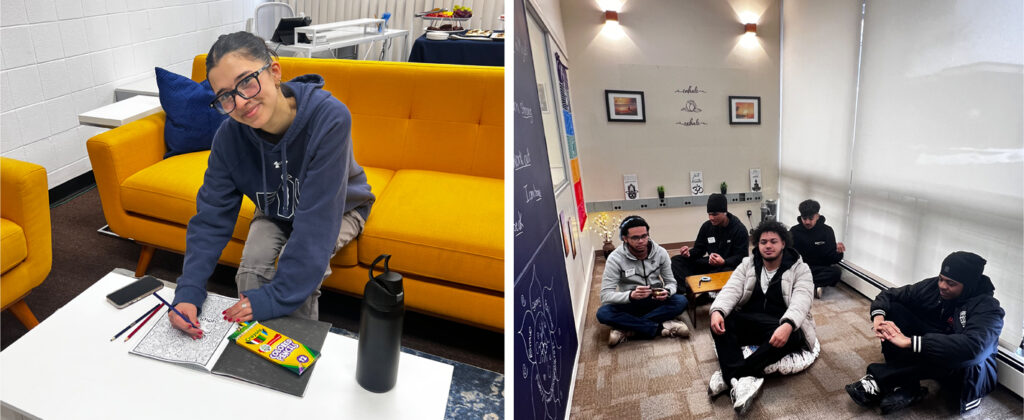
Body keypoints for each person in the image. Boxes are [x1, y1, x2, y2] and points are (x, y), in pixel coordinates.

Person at [169, 32, 375, 339]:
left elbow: (316, 226)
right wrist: (188, 291)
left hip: (341, 209)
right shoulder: (229, 137)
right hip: (276, 209)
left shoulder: (329, 118)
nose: (240, 102)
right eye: (226, 96)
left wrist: (276, 298)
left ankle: (299, 352)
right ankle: (254, 348)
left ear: (274, 72)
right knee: (251, 271)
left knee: (299, 280)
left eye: (247, 81)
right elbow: (211, 218)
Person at [845, 251, 1005, 415]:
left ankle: (882, 379)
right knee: (895, 309)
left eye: (950, 283)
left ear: (968, 285)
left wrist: (910, 342)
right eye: (941, 278)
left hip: (965, 372)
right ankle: (909, 387)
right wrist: (879, 318)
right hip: (938, 345)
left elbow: (973, 348)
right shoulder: (934, 287)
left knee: (957, 351)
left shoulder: (988, 308)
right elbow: (891, 294)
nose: (942, 285)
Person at [706, 220, 816, 415]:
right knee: (721, 321)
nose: (768, 246)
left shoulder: (801, 269)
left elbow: (802, 300)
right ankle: (742, 376)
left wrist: (788, 324)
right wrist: (717, 311)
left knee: (794, 335)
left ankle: (730, 374)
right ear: (757, 244)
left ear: (783, 243)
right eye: (763, 241)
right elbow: (731, 289)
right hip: (750, 319)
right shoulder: (747, 264)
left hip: (779, 324)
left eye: (774, 241)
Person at [597, 215, 690, 347]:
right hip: (630, 302)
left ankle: (628, 329)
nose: (641, 241)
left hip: (655, 299)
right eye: (635, 237)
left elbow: (671, 283)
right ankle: (661, 326)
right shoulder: (615, 259)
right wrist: (630, 295)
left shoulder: (660, 253)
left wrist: (667, 291)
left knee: (682, 301)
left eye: (644, 236)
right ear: (625, 238)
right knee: (603, 313)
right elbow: (605, 296)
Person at [671, 193, 749, 293]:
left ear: (724, 212)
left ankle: (708, 293)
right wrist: (688, 254)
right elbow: (699, 249)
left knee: (728, 273)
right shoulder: (707, 227)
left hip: (727, 266)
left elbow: (742, 257)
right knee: (676, 260)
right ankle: (687, 291)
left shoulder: (739, 229)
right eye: (709, 214)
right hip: (710, 264)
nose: (711, 218)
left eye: (715, 214)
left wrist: (724, 261)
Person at [789, 199, 845, 298]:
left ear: (817, 216)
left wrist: (839, 252)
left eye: (811, 218)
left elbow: (832, 258)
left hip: (819, 269)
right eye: (804, 218)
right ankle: (813, 286)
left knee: (836, 272)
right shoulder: (794, 231)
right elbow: (789, 256)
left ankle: (803, 286)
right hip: (800, 268)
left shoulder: (827, 231)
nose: (807, 222)